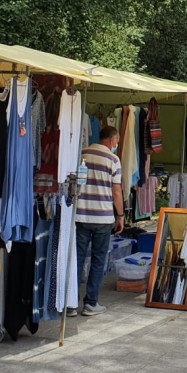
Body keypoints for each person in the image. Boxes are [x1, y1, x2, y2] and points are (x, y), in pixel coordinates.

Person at [73, 125, 124, 316]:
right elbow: (116, 191)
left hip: (80, 215)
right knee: (98, 259)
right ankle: (91, 303)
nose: (116, 145)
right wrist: (120, 216)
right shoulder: (113, 160)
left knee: (76, 259)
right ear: (112, 140)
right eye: (117, 142)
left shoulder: (82, 154)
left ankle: (71, 304)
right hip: (102, 218)